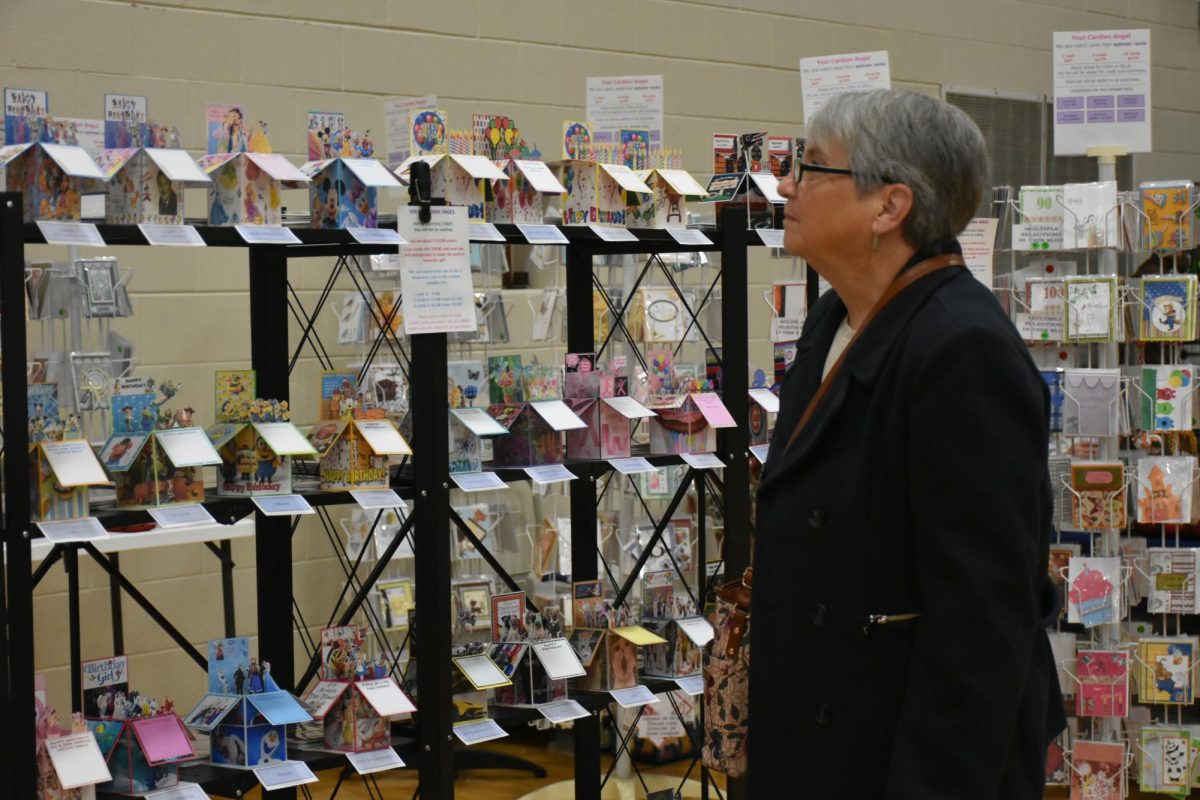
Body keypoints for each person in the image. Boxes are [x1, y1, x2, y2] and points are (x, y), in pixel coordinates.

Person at [749, 90, 1065, 799]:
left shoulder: (962, 350)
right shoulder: (835, 316)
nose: (787, 182)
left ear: (888, 208)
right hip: (821, 738)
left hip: (905, 757)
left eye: (813, 166)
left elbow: (982, 626)